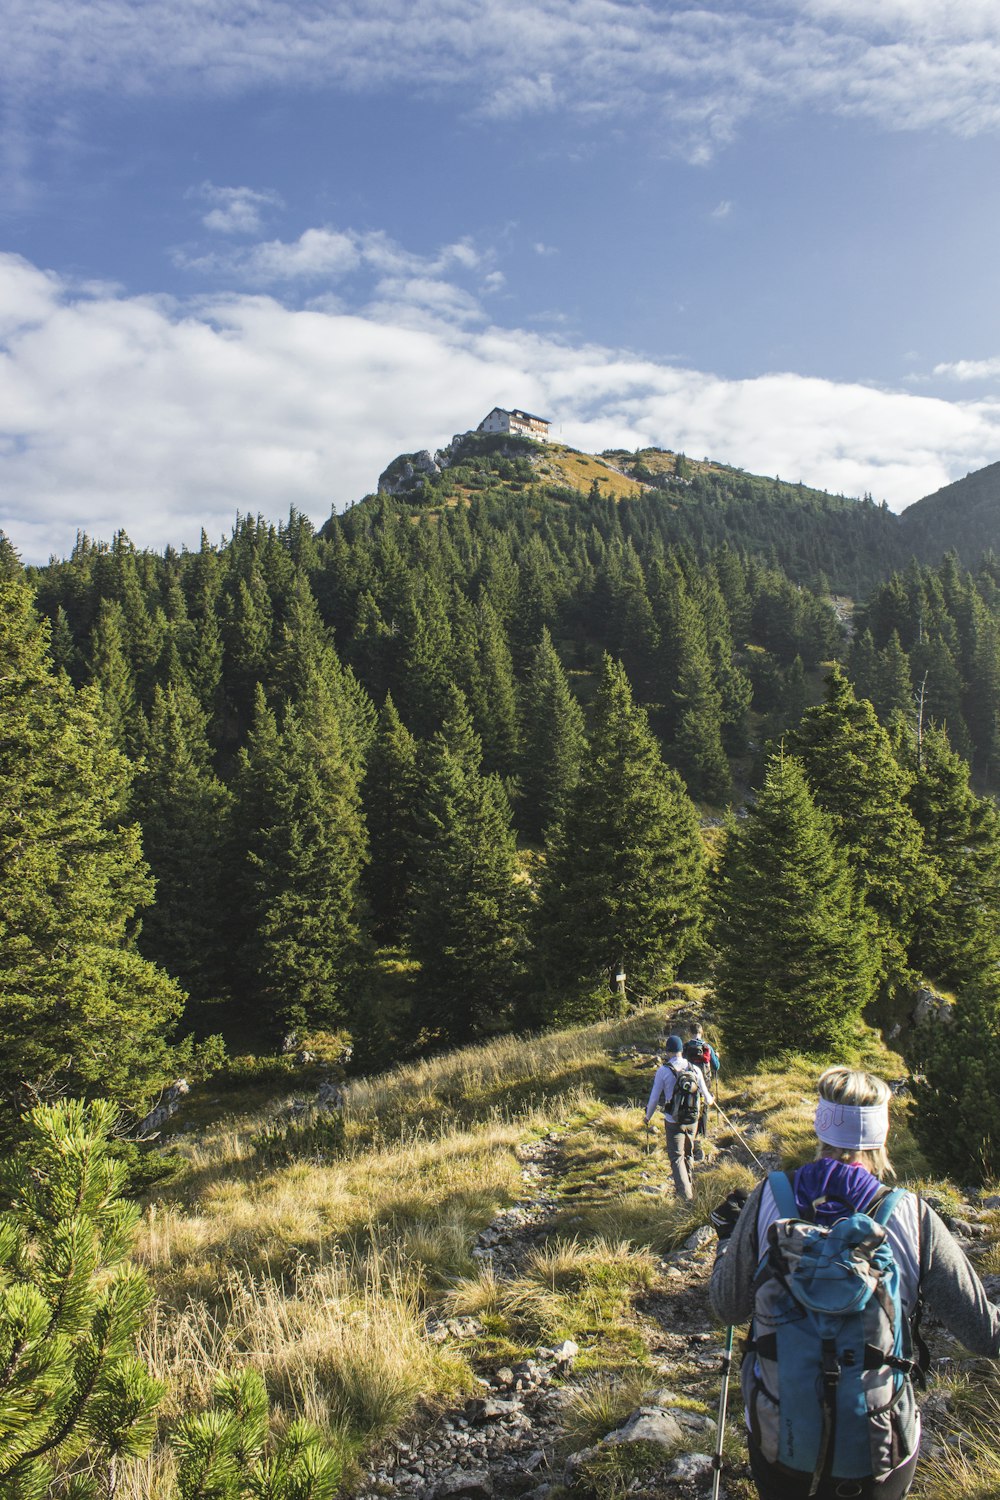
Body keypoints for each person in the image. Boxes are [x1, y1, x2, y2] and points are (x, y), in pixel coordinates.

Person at [710, 1065, 1000, 1500]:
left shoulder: (769, 1197)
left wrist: (726, 1242)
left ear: (820, 1128)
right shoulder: (912, 1216)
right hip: (878, 1452)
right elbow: (984, 1335)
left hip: (781, 1442)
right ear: (882, 1137)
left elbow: (727, 1307)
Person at [645, 1034, 714, 1201]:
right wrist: (711, 1100)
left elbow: (654, 1098)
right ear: (682, 1051)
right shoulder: (694, 1069)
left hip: (673, 1120)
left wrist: (648, 1117)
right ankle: (688, 1184)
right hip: (692, 1119)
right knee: (688, 1153)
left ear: (668, 1051)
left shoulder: (663, 1071)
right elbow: (708, 1097)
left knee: (676, 1157)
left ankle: (686, 1197)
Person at [683, 1024, 720, 1160]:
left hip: (689, 1082)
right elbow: (716, 1066)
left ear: (690, 1032)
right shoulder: (707, 1047)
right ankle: (702, 1135)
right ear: (701, 1032)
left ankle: (688, 1134)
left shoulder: (686, 1047)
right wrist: (716, 1056)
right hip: (705, 1081)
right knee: (703, 1108)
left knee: (689, 1105)